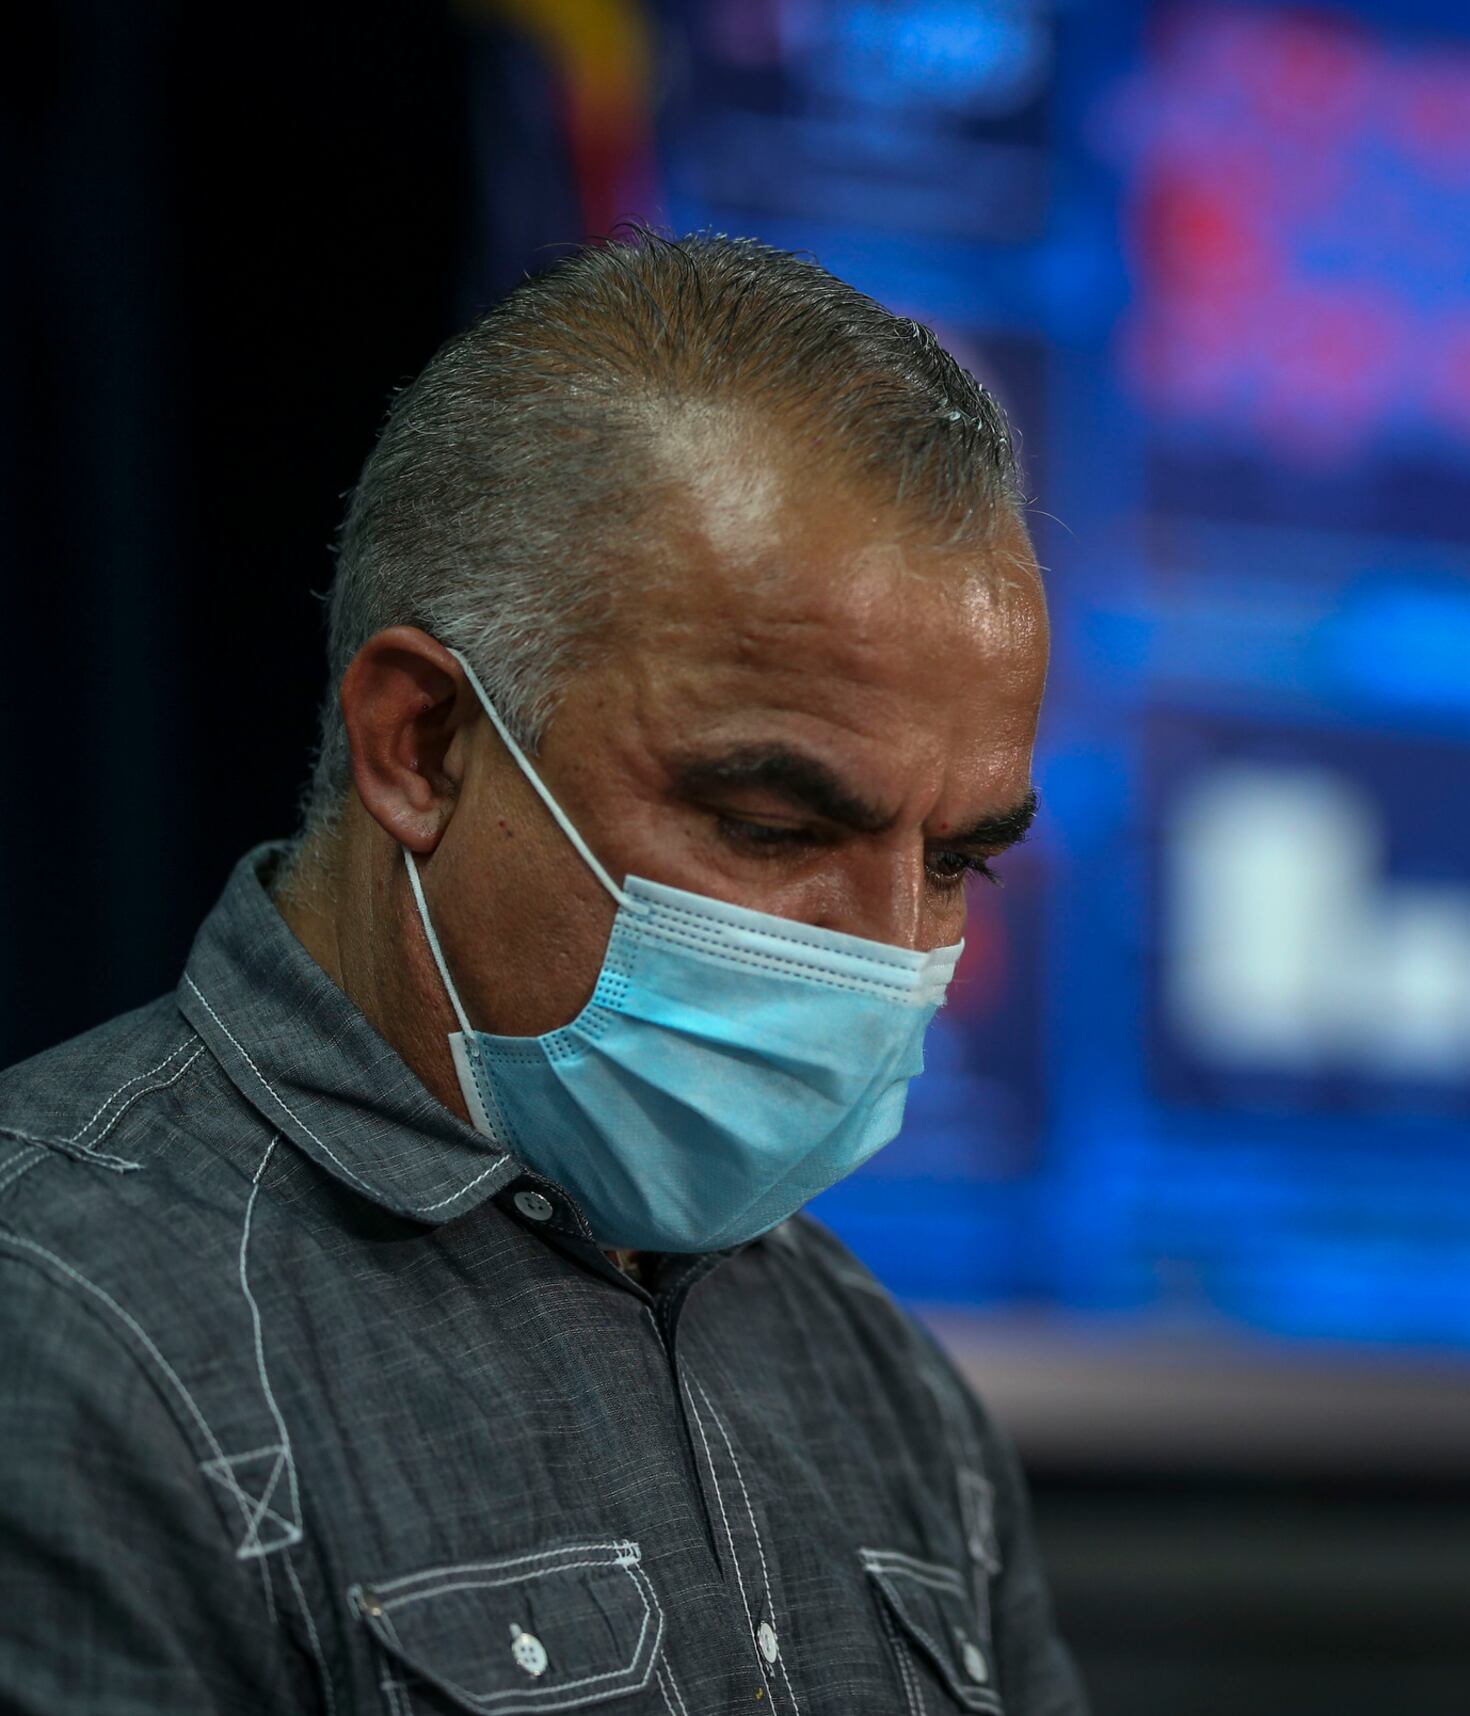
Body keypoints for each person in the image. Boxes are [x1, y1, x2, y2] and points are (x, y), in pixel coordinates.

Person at [0, 234, 1084, 1716]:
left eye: (959, 860)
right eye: (772, 827)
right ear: (421, 746)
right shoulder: (62, 1334)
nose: (890, 949)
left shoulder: (881, 1385)